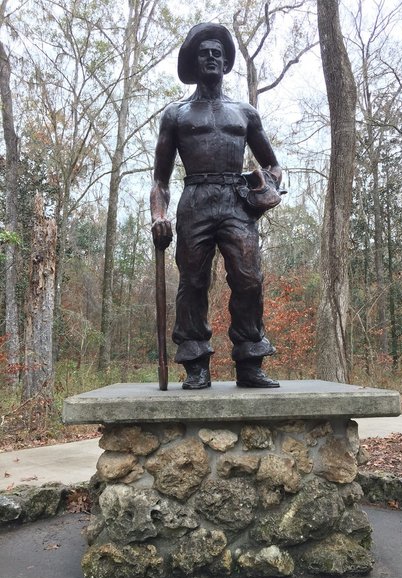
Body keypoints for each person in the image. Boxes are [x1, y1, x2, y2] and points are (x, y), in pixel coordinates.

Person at [150, 23, 282, 390]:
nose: (211, 57)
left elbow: (273, 165)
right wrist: (158, 216)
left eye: (217, 54)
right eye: (204, 53)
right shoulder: (176, 115)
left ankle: (250, 360)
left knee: (249, 277)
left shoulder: (245, 113)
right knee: (192, 281)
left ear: (226, 64)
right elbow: (160, 180)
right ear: (194, 62)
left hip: (236, 200)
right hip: (194, 200)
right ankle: (195, 362)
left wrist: (265, 186)